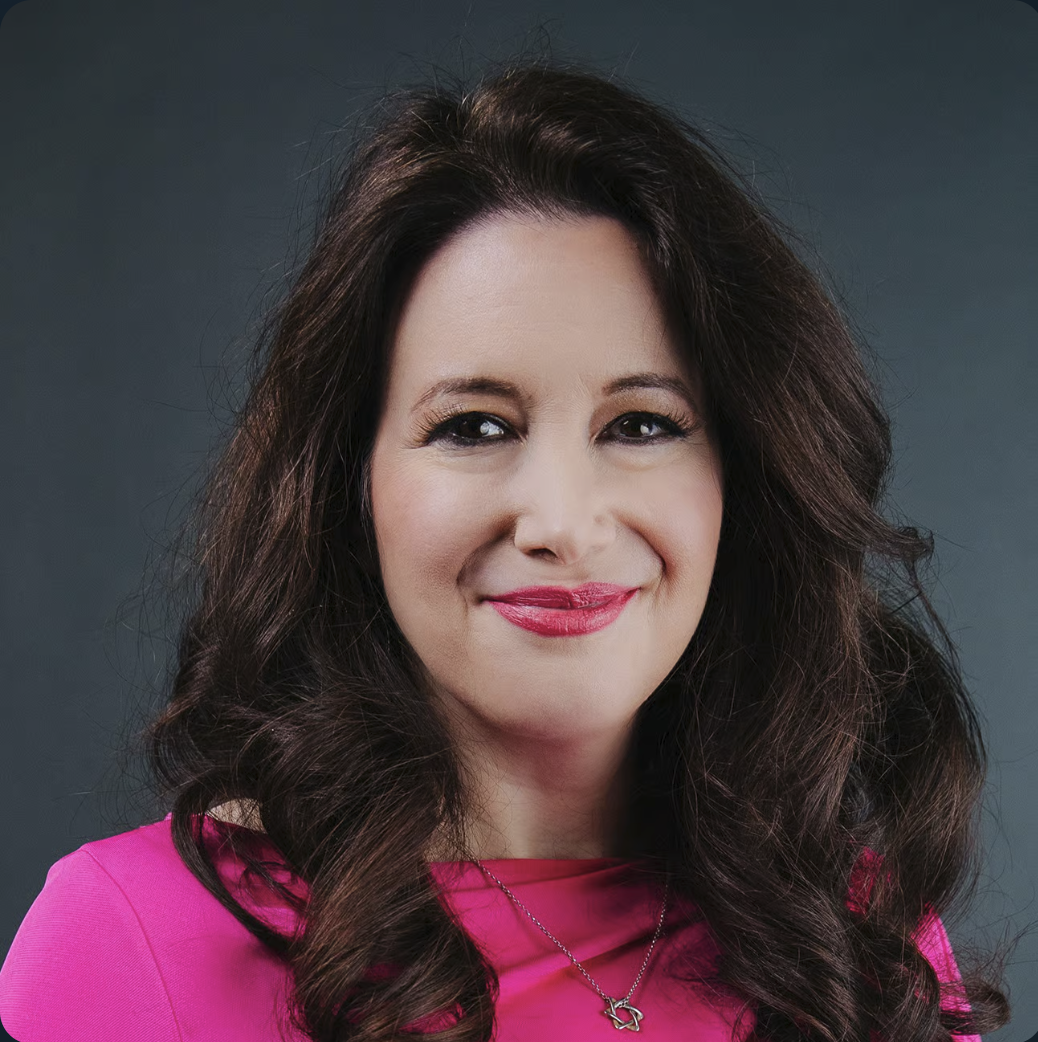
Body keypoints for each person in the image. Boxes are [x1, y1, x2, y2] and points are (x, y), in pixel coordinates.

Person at [0, 57, 1011, 1042]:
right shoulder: (134, 938)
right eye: (474, 427)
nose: (564, 524)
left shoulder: (850, 935)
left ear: (739, 480)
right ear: (349, 487)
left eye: (643, 423)